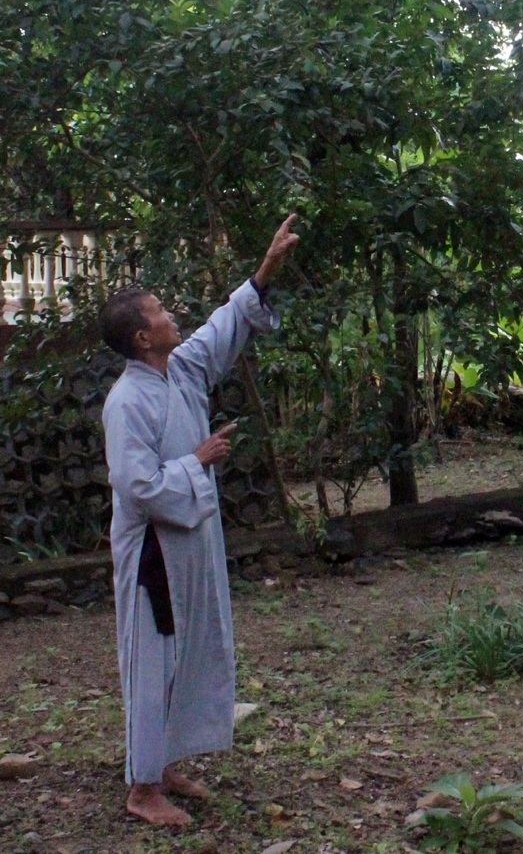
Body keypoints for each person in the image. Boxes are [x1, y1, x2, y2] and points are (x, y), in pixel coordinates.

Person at [99, 215, 300, 826]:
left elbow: (220, 330)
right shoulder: (127, 401)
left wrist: (264, 271)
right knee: (152, 657)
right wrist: (198, 460)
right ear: (141, 337)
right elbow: (136, 486)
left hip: (191, 544)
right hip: (155, 555)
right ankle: (141, 789)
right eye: (159, 311)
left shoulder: (178, 372)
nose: (170, 316)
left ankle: (164, 763)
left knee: (189, 651)